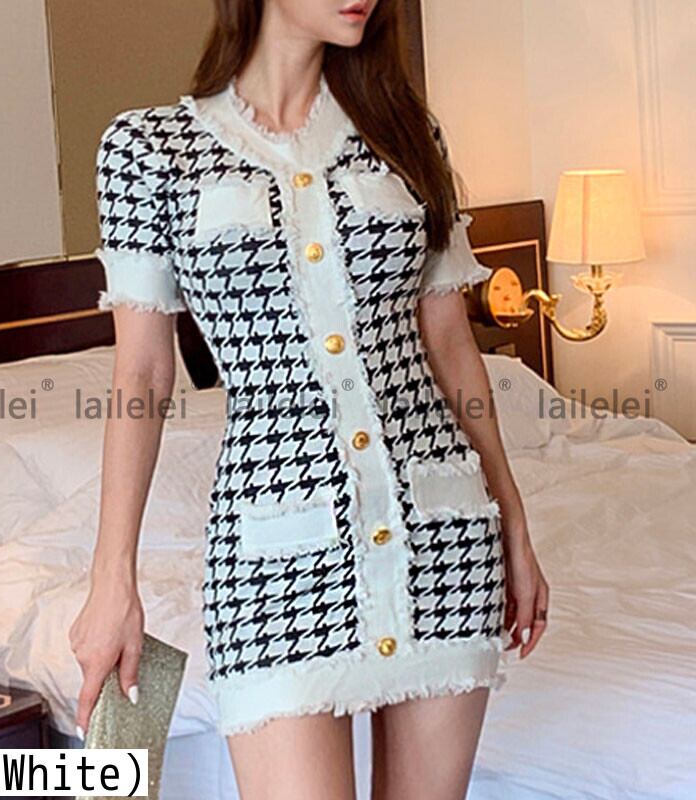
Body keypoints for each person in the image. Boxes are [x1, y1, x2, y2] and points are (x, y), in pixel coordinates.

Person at [69, 1, 550, 798]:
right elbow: (144, 377)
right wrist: (111, 580)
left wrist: (514, 527)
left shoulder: (407, 136)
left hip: (442, 541)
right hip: (269, 559)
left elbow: (451, 347)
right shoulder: (150, 152)